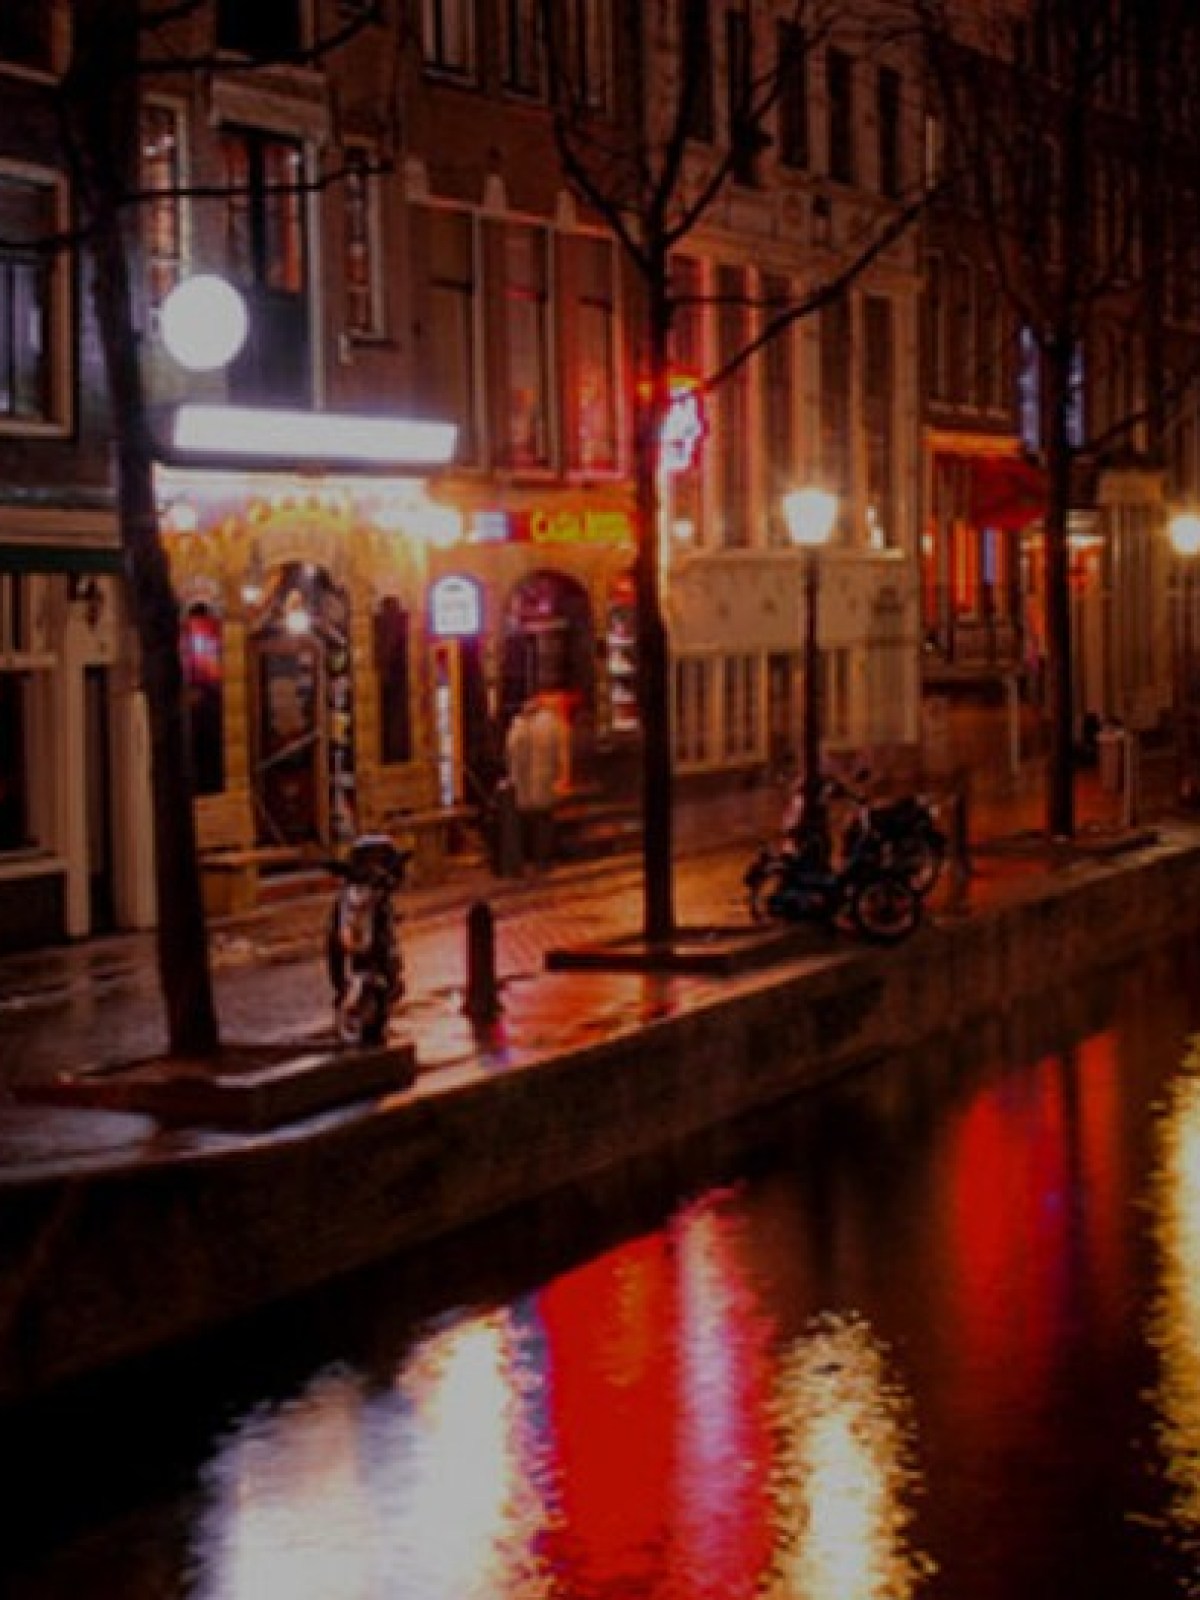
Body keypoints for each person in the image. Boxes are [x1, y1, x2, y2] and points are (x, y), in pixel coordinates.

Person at [504, 694, 566, 871]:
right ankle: (543, 860)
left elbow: (510, 754)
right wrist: (558, 775)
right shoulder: (551, 723)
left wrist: (513, 775)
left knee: (530, 821)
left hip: (524, 783)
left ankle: (531, 859)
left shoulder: (518, 725)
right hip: (543, 781)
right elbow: (558, 752)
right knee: (544, 820)